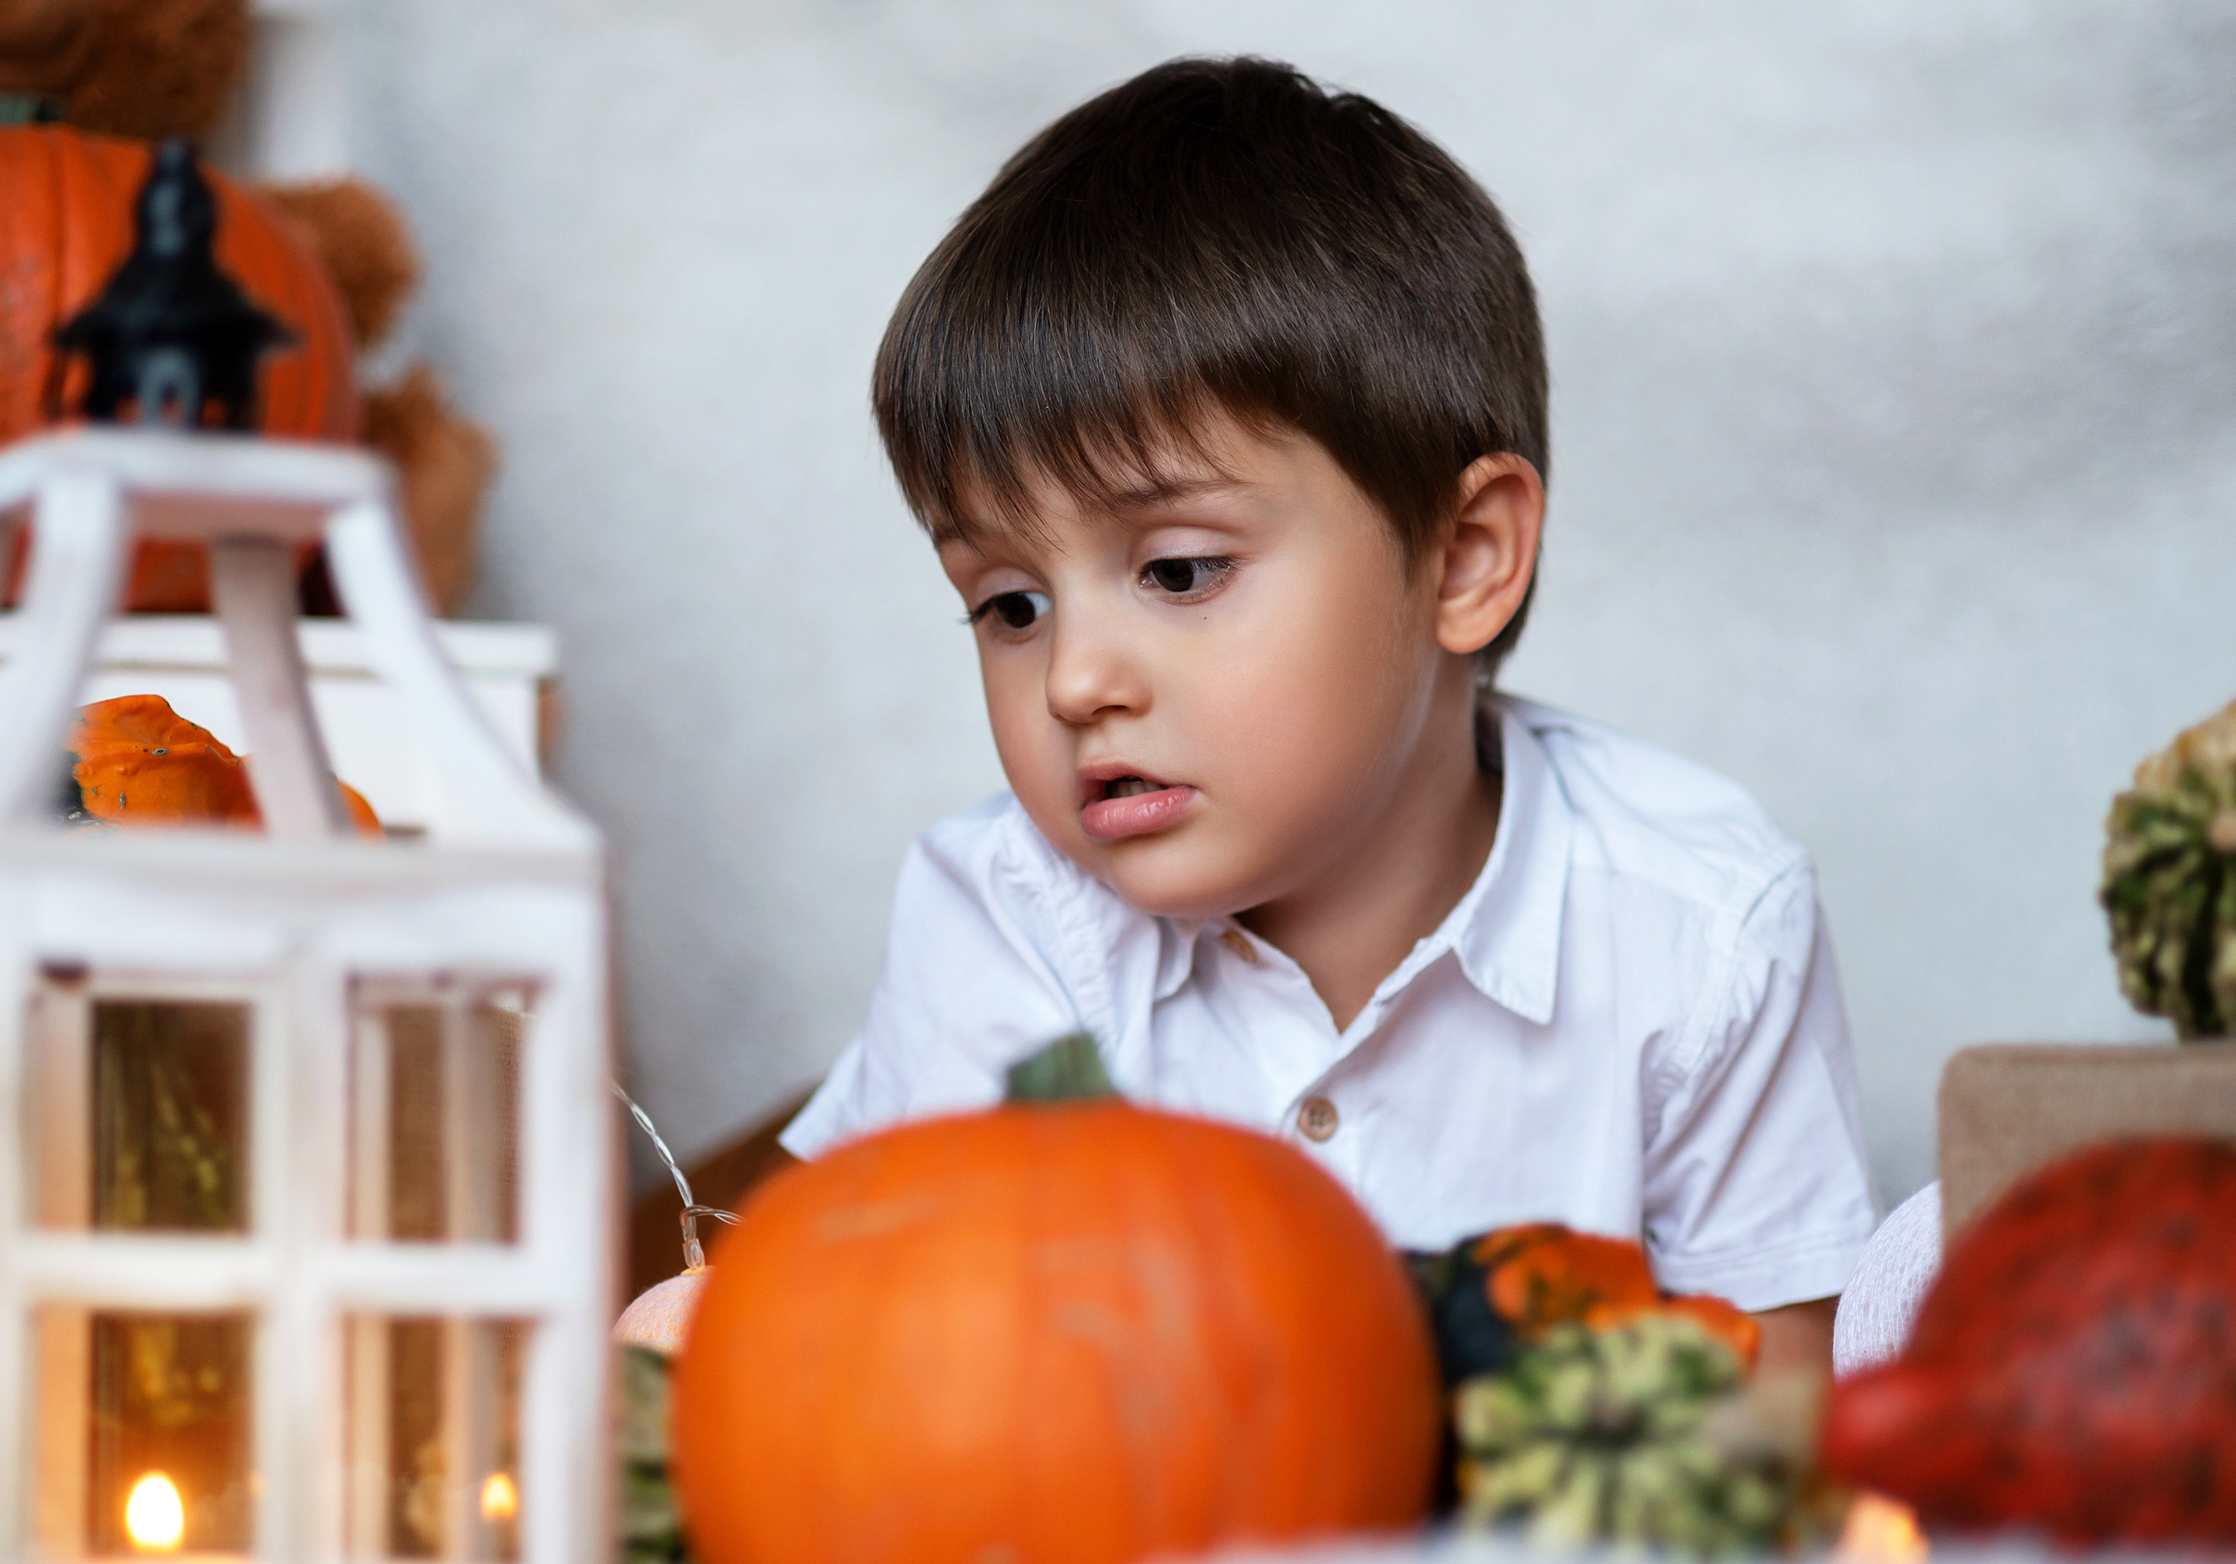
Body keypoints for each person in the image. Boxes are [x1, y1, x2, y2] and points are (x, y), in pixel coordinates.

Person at [779, 55, 1873, 1370]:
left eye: (1179, 571)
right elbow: (904, 1381)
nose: (1073, 680)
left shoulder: (1700, 931)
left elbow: (1778, 1445)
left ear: (1465, 555)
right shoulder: (1004, 919)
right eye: (1010, 605)